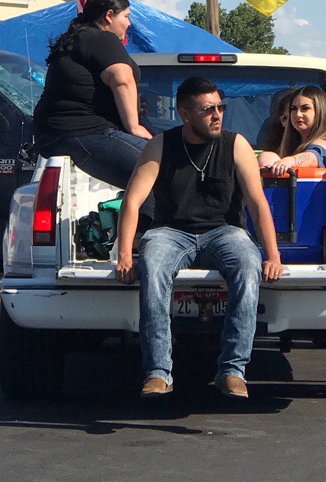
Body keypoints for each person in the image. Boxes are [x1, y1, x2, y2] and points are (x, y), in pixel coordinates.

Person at [115, 76, 284, 400]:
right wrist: (125, 255)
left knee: (248, 267)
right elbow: (132, 201)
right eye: (208, 110)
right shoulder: (161, 145)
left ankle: (233, 371)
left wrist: (272, 255)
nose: (217, 115)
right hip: (171, 232)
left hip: (225, 232)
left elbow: (257, 202)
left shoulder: (236, 145)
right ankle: (158, 373)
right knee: (151, 265)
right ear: (185, 113)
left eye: (221, 107)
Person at [33, 0, 153, 188]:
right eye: (126, 16)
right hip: (81, 132)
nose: (129, 23)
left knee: (158, 163)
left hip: (60, 133)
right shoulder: (101, 38)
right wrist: (134, 127)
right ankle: (144, 220)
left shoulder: (79, 37)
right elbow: (122, 80)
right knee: (157, 167)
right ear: (109, 16)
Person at [257, 85, 326, 173]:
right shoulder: (289, 146)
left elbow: (314, 156)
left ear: (320, 112)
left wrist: (290, 161)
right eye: (293, 109)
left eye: (305, 108)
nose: (298, 114)